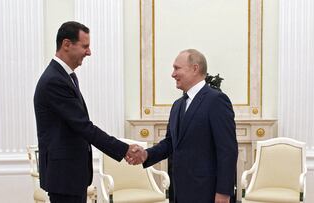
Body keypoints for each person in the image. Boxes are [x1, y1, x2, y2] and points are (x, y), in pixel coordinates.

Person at [34, 21, 141, 203]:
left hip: (70, 175)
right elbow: (83, 126)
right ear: (66, 44)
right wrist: (124, 149)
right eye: (85, 46)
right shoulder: (55, 80)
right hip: (64, 177)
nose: (89, 52)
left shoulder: (64, 76)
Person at [127, 49, 238, 203]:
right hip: (180, 191)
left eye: (177, 68)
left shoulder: (217, 100)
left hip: (208, 192)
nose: (173, 74)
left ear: (195, 69)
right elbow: (171, 142)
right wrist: (146, 154)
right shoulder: (177, 105)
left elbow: (227, 150)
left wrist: (224, 193)